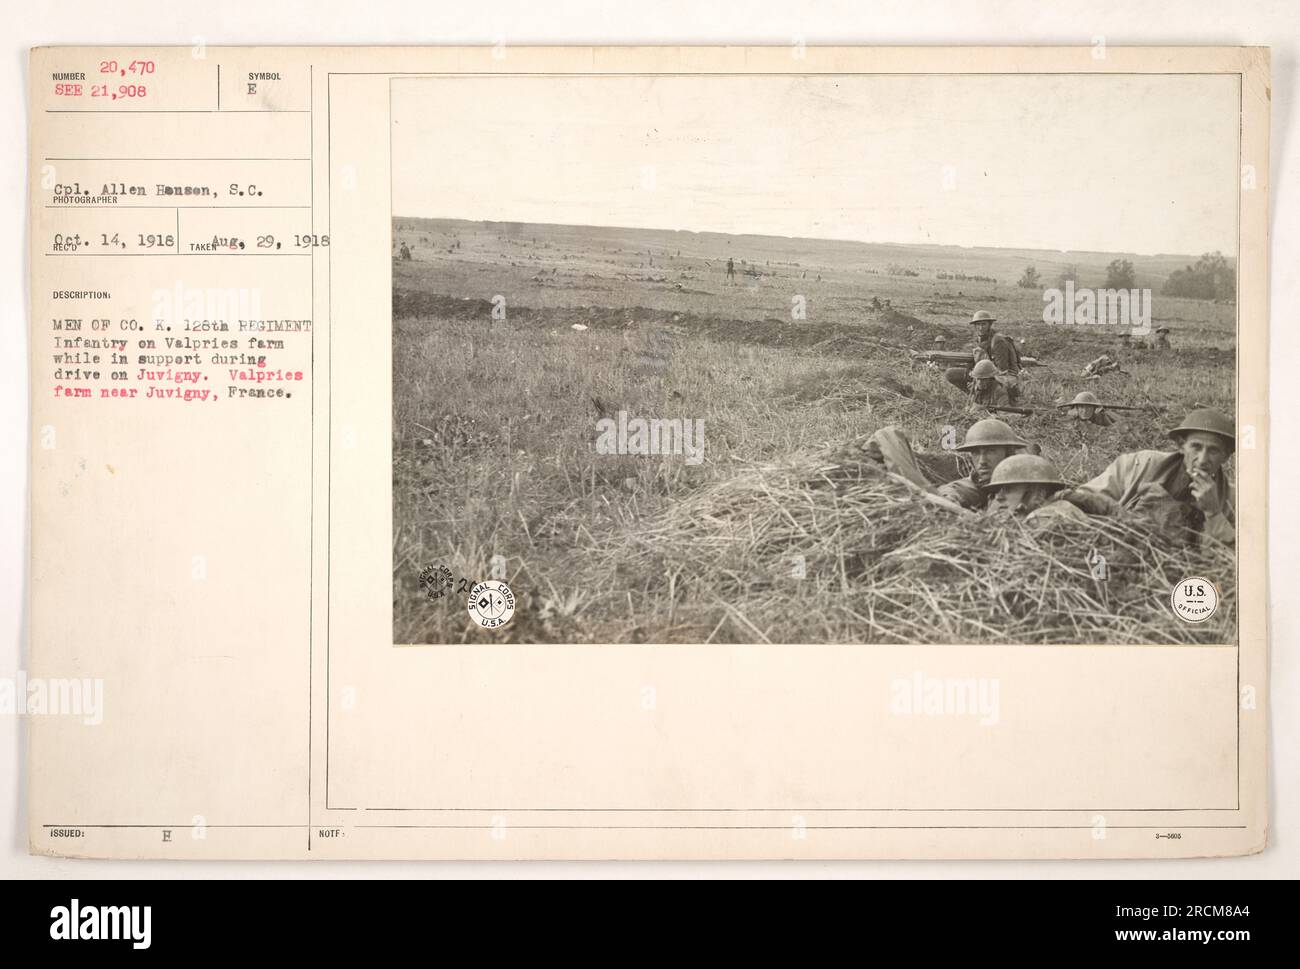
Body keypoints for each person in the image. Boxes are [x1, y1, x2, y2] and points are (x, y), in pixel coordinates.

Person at [1063, 407, 1235, 543]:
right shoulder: (1138, 466)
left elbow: (1230, 558)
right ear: (1182, 446)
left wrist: (1213, 513)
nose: (1203, 459)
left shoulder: (1232, 501)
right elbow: (1082, 501)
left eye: (1213, 450)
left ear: (1226, 456)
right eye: (1196, 447)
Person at [863, 418, 1028, 512]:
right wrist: (948, 500)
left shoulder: (1028, 481)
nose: (982, 460)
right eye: (976, 452)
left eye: (990, 451)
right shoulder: (982, 479)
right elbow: (959, 488)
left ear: (1008, 452)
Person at [983, 454, 1088, 524]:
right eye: (998, 491)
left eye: (1008, 489)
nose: (999, 497)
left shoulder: (1049, 516)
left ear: (1038, 494)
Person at [944, 311, 1022, 402]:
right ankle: (978, 395)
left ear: (990, 325)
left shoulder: (997, 341)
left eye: (984, 324)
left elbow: (1002, 369)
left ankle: (985, 395)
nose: (980, 328)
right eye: (978, 325)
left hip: (1004, 377)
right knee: (951, 373)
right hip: (988, 374)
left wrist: (978, 378)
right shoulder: (981, 339)